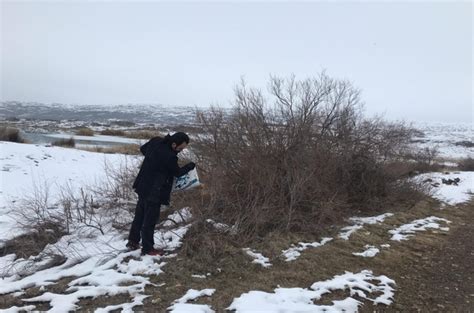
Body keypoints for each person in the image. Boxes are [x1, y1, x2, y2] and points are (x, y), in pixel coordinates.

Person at [127, 132, 195, 255]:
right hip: (155, 191)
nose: (180, 151)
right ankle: (148, 248)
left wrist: (151, 162)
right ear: (174, 144)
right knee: (150, 220)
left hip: (142, 185)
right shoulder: (170, 156)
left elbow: (143, 149)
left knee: (139, 215)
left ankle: (133, 242)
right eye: (180, 149)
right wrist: (190, 166)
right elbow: (177, 172)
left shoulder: (156, 141)